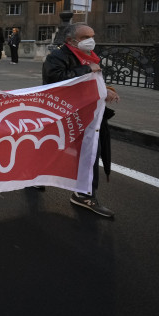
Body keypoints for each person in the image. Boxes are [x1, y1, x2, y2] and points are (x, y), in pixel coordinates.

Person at [43, 23, 120, 218]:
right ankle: (37, 175)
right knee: (52, 147)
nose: (91, 40)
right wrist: (87, 71)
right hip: (65, 113)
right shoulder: (57, 57)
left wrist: (105, 91)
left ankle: (84, 195)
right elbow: (54, 81)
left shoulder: (90, 57)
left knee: (92, 150)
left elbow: (93, 81)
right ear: (71, 41)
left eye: (92, 35)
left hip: (89, 113)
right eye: (86, 36)